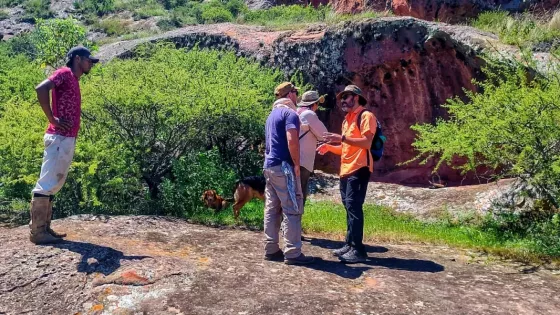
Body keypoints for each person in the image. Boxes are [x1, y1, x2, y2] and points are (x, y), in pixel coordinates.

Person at [28, 46, 99, 244]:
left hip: (65, 138)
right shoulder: (65, 73)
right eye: (88, 60)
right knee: (47, 182)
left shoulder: (72, 79)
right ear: (78, 59)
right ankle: (38, 232)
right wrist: (52, 118)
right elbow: (41, 88)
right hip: (58, 137)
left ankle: (44, 229)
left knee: (54, 183)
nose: (91, 64)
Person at [317, 85, 376, 264]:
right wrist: (329, 147)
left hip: (360, 168)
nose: (342, 100)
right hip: (346, 169)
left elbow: (366, 143)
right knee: (348, 207)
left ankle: (358, 250)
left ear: (356, 97)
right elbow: (345, 148)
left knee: (354, 207)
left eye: (347, 96)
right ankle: (349, 244)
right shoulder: (346, 120)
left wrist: (341, 138)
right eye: (342, 97)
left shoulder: (366, 116)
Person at [262, 82, 314, 265]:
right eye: (295, 92)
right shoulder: (290, 114)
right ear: (289, 94)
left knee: (272, 208)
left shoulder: (271, 115)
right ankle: (292, 252)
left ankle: (271, 248)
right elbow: (292, 139)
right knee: (292, 207)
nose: (297, 96)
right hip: (284, 167)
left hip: (269, 167)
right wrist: (297, 164)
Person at [296, 91, 328, 205]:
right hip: (303, 161)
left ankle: (285, 220)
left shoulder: (296, 112)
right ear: (314, 104)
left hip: (292, 157)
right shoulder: (309, 114)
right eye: (317, 104)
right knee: (300, 192)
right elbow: (324, 135)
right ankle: (295, 221)